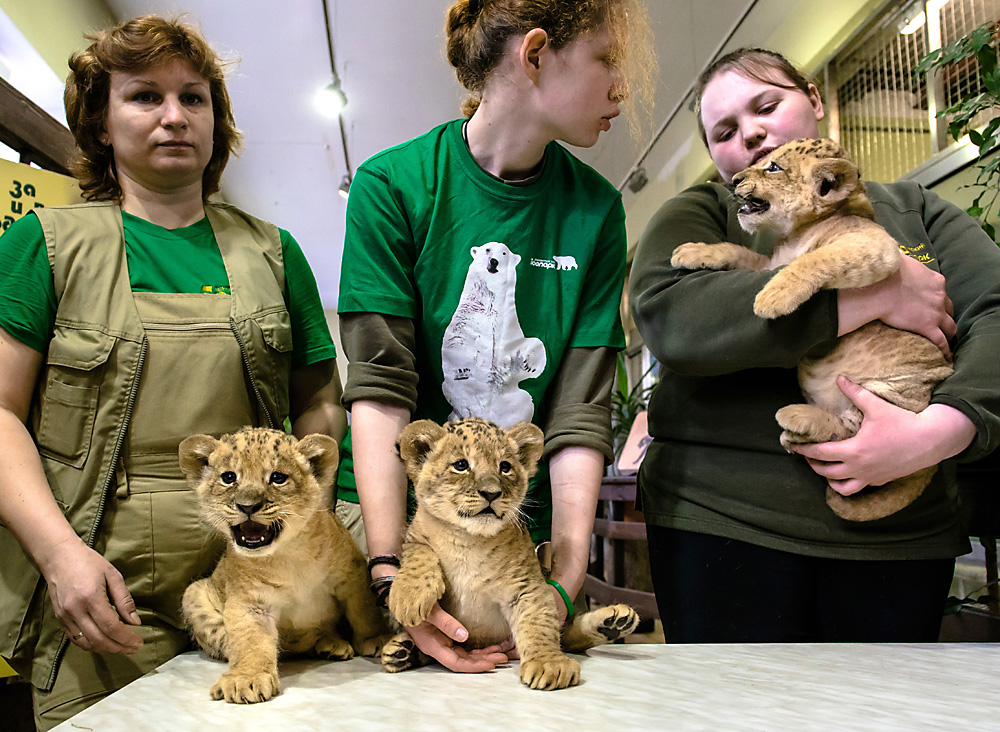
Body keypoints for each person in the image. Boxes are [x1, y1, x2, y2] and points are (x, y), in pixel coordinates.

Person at [0, 16, 345, 728]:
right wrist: (59, 555)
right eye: (144, 97)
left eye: (194, 98)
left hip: (260, 577)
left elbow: (320, 410)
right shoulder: (46, 246)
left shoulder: (275, 256)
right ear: (99, 122)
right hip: (106, 588)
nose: (174, 116)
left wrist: (314, 540)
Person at [629, 47, 1000, 643]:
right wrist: (867, 299)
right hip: (723, 520)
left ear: (815, 100)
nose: (750, 134)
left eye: (767, 105)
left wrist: (942, 431)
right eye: (724, 132)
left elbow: (996, 314)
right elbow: (671, 318)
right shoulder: (700, 212)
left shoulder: (919, 210)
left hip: (899, 535)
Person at [336, 0, 654, 671]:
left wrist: (563, 582)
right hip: (409, 529)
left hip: (506, 525)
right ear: (535, 55)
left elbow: (579, 408)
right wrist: (391, 570)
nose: (619, 87)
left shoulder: (597, 210)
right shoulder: (393, 184)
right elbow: (381, 393)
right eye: (606, 60)